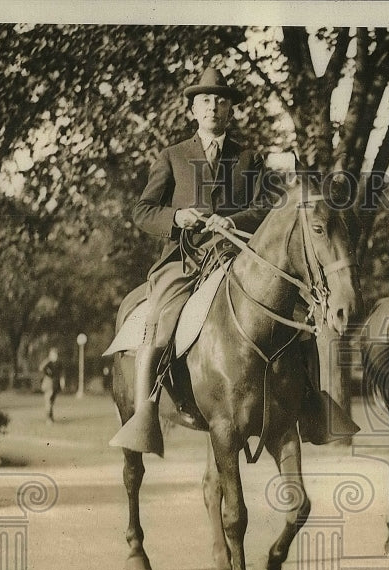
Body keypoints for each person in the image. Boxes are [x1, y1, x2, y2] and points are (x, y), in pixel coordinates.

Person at [111, 66, 356, 454]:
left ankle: (312, 403)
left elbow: (264, 207)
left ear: (230, 111)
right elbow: (143, 211)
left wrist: (232, 219)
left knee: (298, 320)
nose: (213, 107)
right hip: (186, 260)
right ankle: (147, 408)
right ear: (194, 108)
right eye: (205, 100)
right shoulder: (172, 156)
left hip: (237, 256)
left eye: (221, 100)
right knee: (159, 318)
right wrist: (177, 218)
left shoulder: (248, 158)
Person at [39, 348, 63, 423]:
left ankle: (50, 417)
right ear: (50, 355)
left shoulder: (58, 363)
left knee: (51, 401)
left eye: (55, 355)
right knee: (48, 400)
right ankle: (48, 418)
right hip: (48, 382)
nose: (54, 356)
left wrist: (62, 382)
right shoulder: (48, 363)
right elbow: (41, 368)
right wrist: (48, 360)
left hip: (55, 383)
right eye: (52, 355)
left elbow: (61, 374)